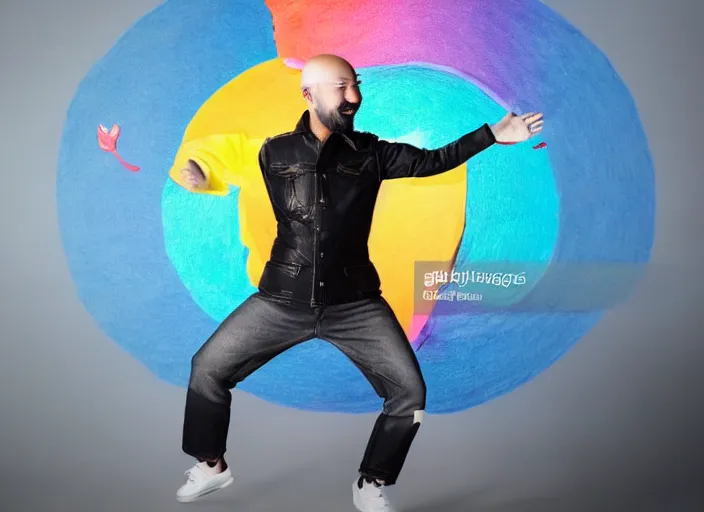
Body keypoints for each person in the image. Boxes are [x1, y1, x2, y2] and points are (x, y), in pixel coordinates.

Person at [170, 54, 544, 511]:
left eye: (356, 85)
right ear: (309, 95)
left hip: (356, 304)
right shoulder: (274, 151)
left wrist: (492, 135)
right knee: (207, 368)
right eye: (341, 87)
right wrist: (199, 174)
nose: (354, 97)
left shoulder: (371, 152)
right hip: (281, 299)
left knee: (409, 394)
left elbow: (432, 161)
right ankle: (211, 466)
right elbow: (221, 160)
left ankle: (372, 482)